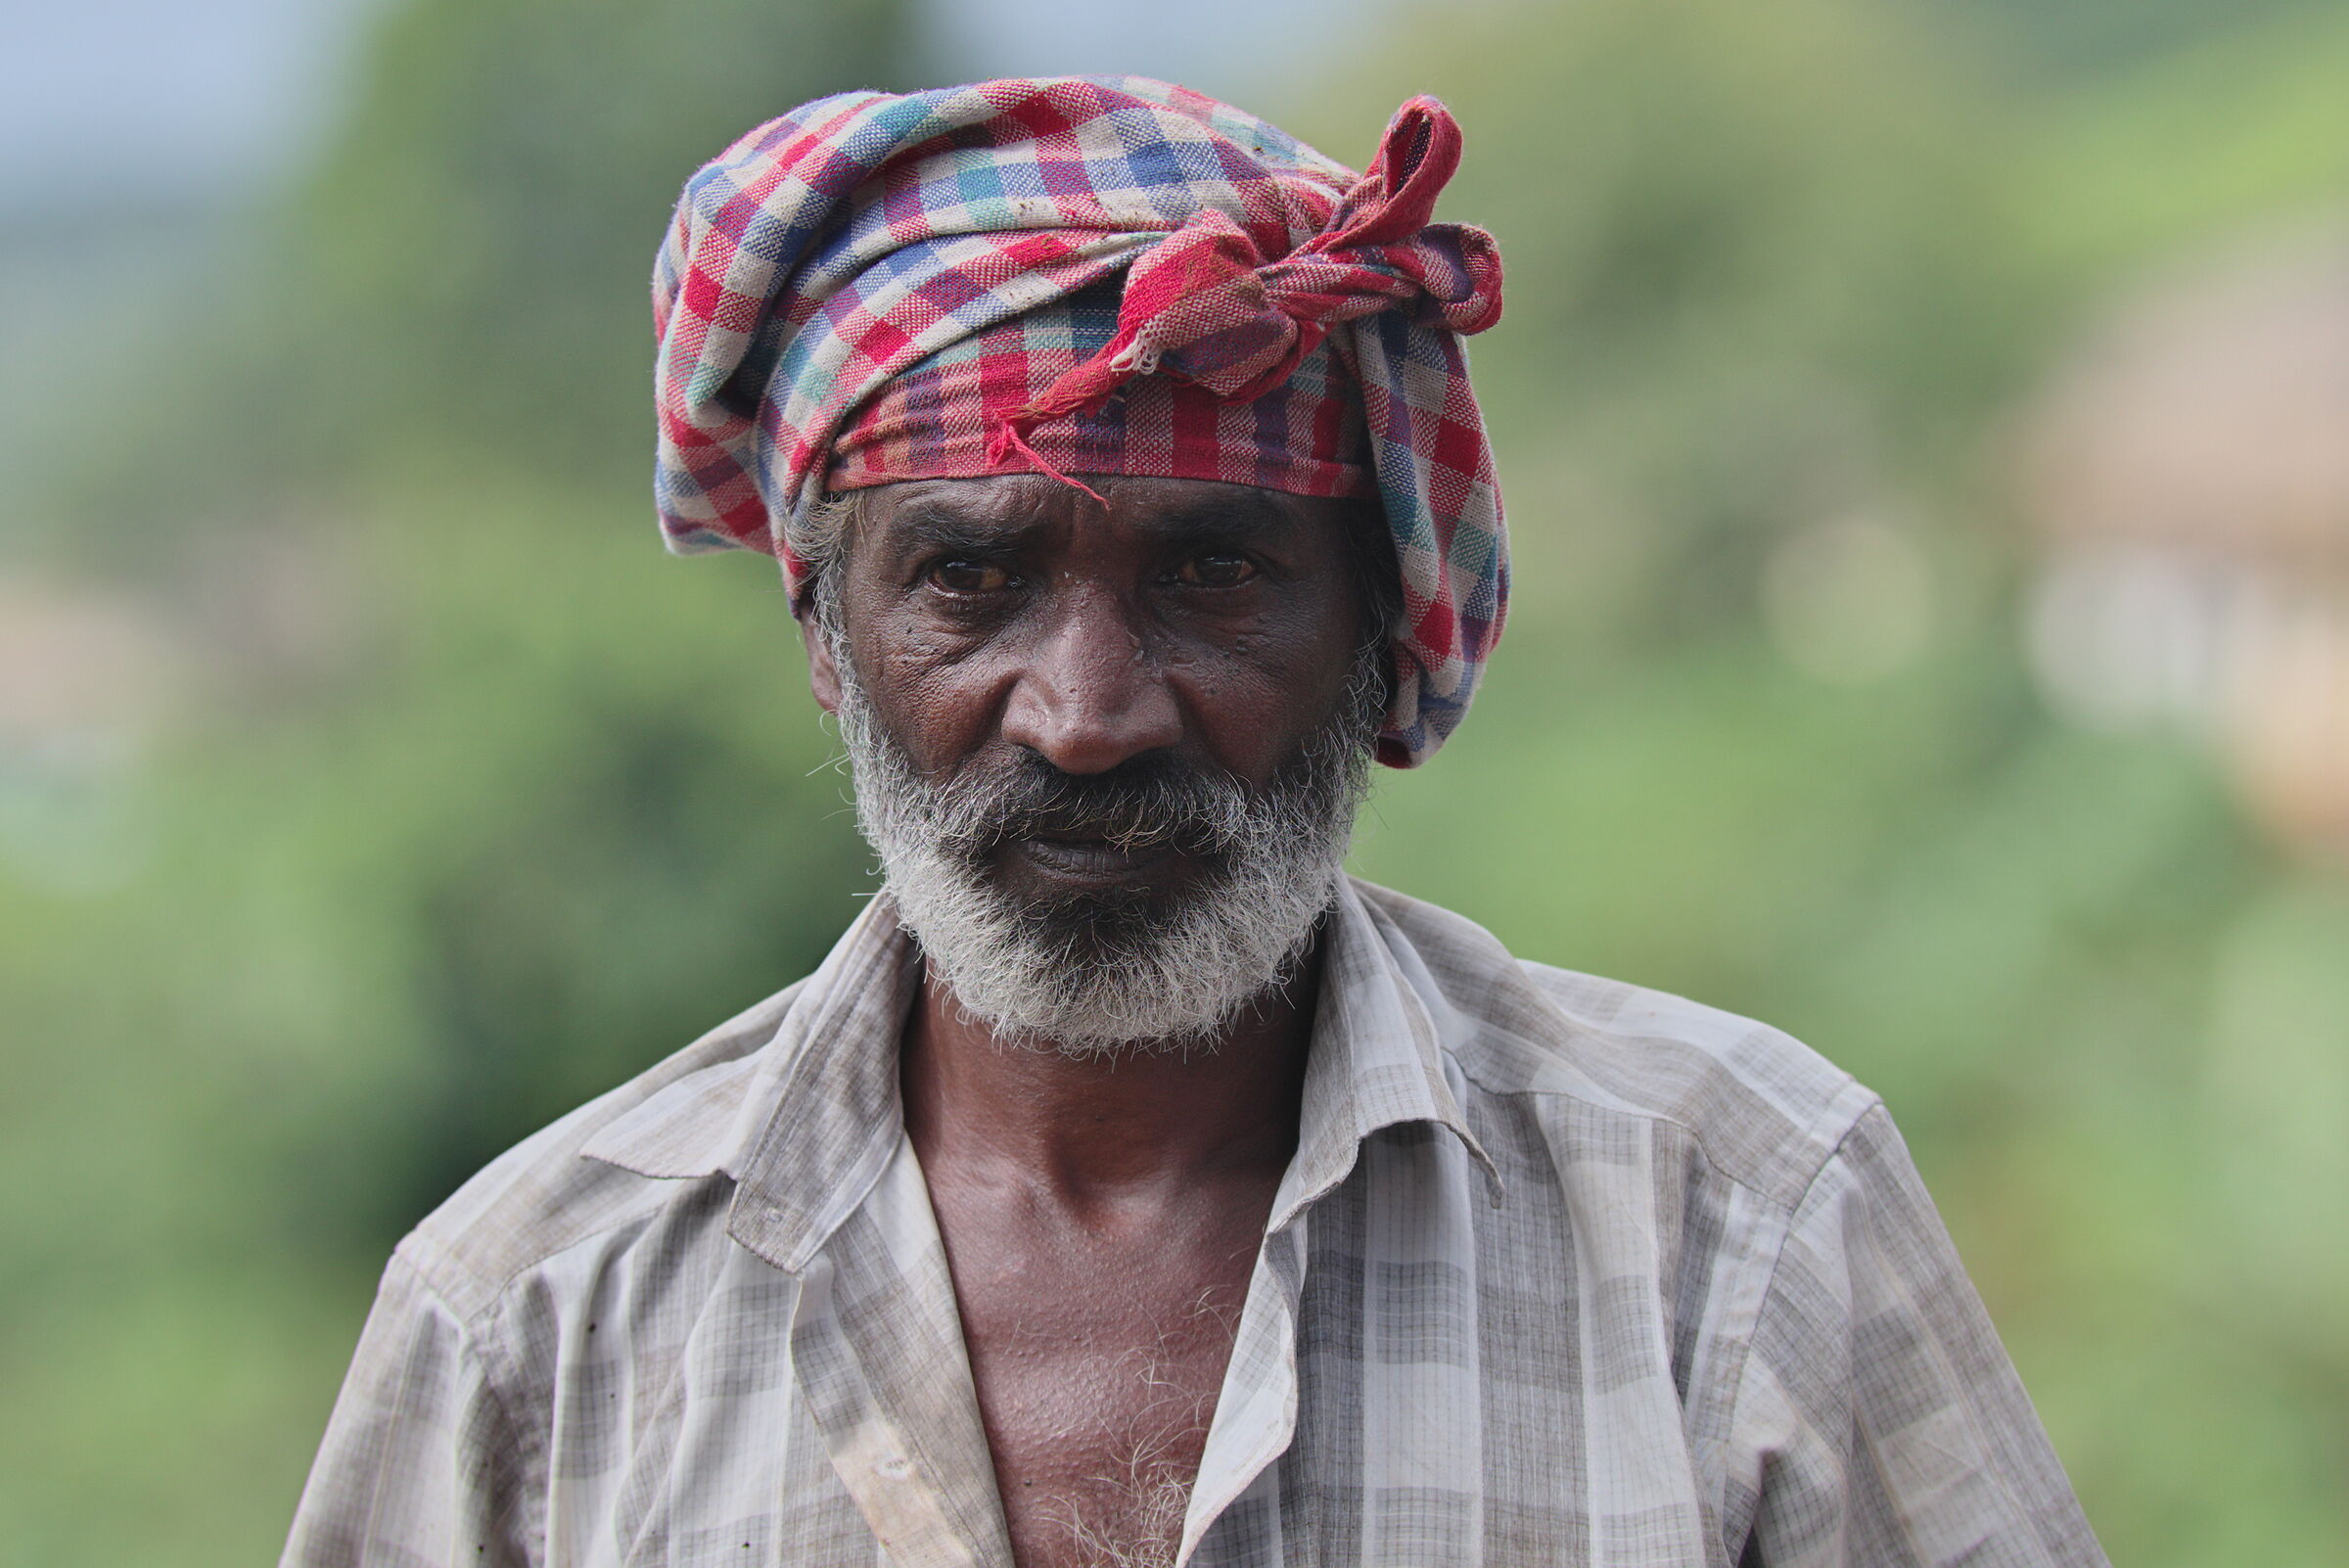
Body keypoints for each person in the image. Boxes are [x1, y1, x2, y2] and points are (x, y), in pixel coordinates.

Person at [283, 78, 2107, 1568]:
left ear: (1373, 627)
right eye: (969, 581)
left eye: (1217, 573)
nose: (1086, 713)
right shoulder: (532, 1315)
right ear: (828, 643)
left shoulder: (1744, 1221)